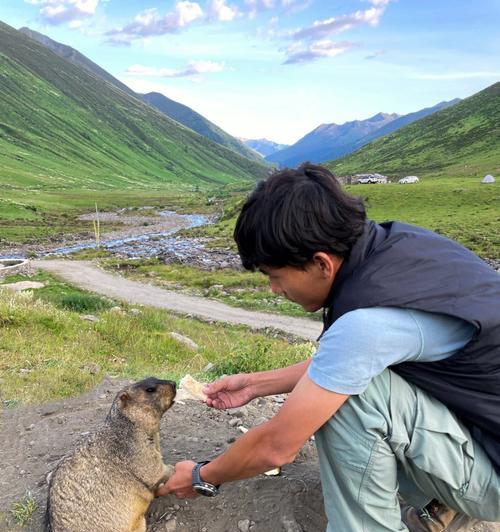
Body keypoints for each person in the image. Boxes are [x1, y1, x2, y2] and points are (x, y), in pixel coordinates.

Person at [157, 163, 500, 531]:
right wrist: (257, 385)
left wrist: (201, 475)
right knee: (349, 382)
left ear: (321, 263)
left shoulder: (368, 320)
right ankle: (441, 501)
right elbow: (359, 357)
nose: (274, 289)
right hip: (485, 429)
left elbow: (277, 446)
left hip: (492, 471)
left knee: (348, 400)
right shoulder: (396, 249)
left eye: (275, 276)